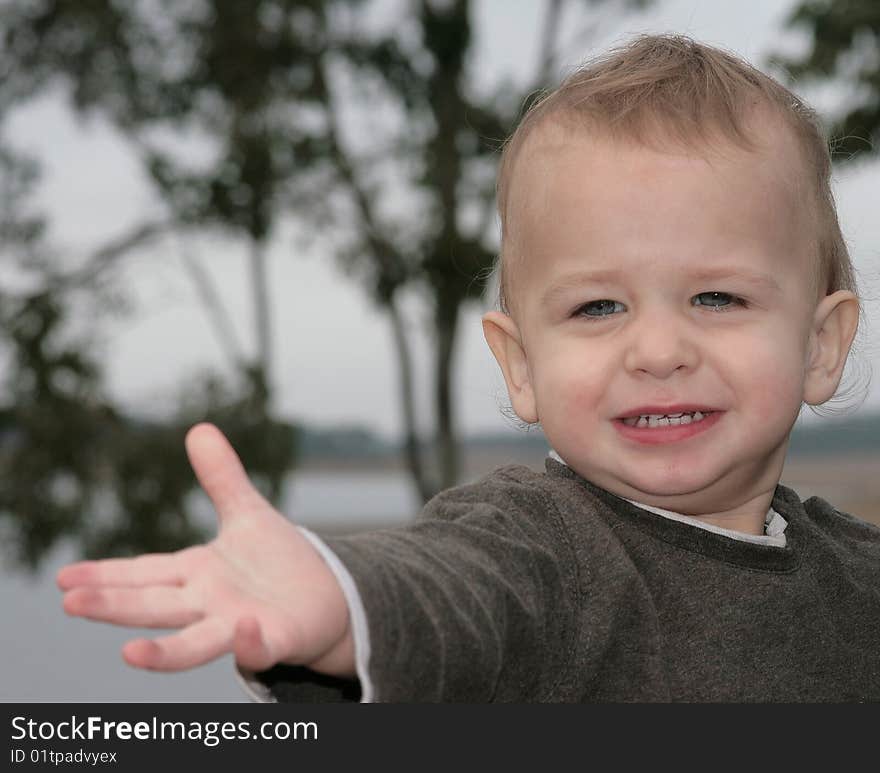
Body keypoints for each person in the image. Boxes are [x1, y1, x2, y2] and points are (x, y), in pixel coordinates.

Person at [57, 33, 880, 702]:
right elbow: (447, 589)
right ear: (520, 366)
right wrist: (342, 600)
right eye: (598, 307)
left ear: (821, 343)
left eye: (715, 297)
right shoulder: (542, 549)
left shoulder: (856, 575)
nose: (659, 350)